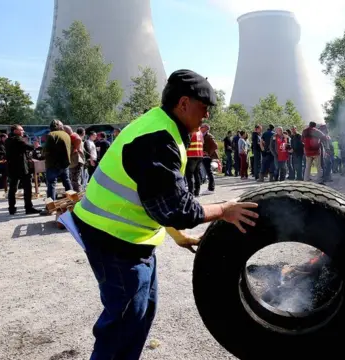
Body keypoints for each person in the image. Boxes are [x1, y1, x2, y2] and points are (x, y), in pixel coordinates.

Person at [70, 69, 258, 360]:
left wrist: (177, 235)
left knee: (142, 310)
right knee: (125, 319)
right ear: (183, 103)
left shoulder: (166, 129)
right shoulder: (157, 139)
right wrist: (224, 210)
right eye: (204, 108)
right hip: (113, 239)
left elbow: (157, 199)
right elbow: (179, 209)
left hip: (130, 238)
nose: (207, 116)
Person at [4, 124, 39, 215]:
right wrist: (35, 145)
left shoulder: (7, 140)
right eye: (21, 130)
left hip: (12, 167)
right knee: (27, 187)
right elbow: (29, 147)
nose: (23, 131)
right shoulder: (17, 139)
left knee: (12, 188)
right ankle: (28, 208)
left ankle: (11, 208)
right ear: (15, 131)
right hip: (21, 168)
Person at [43, 120, 73, 201]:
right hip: (65, 163)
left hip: (53, 164)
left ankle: (51, 205)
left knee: (51, 184)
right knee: (67, 182)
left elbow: (45, 150)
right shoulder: (66, 134)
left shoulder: (51, 135)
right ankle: (73, 201)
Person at [200, 123, 218, 195]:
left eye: (202, 127)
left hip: (207, 157)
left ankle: (211, 188)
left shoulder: (209, 136)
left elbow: (215, 146)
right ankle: (210, 188)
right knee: (208, 172)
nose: (200, 128)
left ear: (205, 128)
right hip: (203, 156)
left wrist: (209, 153)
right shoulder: (203, 136)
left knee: (209, 172)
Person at [185, 128, 204, 197]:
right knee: (197, 174)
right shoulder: (200, 133)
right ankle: (197, 191)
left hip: (191, 155)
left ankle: (191, 192)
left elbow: (187, 143)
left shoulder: (191, 131)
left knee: (189, 175)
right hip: (199, 155)